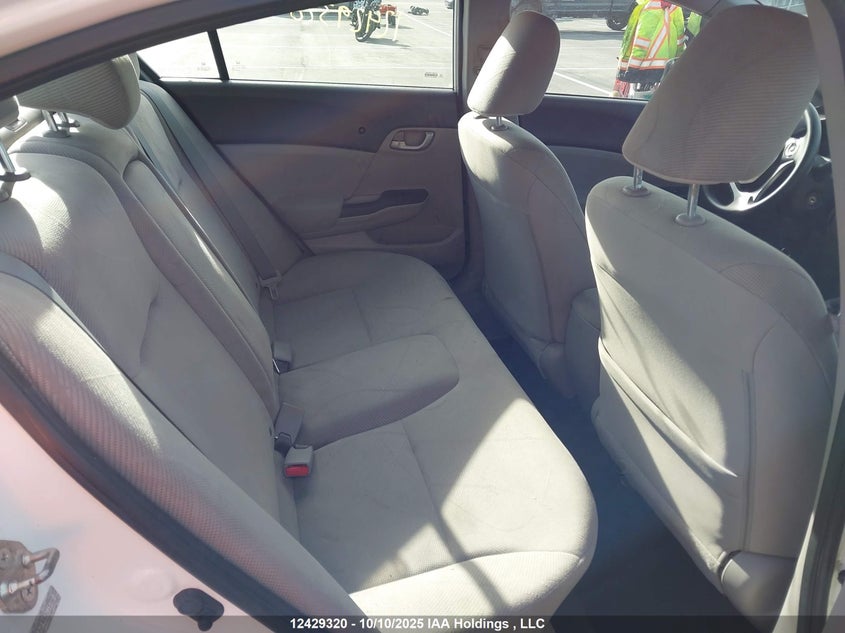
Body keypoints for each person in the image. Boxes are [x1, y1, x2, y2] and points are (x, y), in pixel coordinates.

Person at [612, 0, 685, 99]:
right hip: (667, 65)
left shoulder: (647, 8)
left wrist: (631, 68)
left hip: (644, 66)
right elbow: (680, 37)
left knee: (640, 99)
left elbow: (641, 40)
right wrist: (679, 59)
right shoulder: (676, 7)